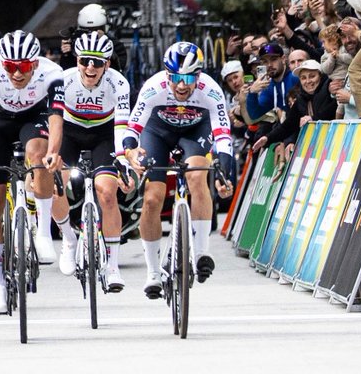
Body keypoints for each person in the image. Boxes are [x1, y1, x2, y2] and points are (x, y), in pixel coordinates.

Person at [123, 42, 234, 298]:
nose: (182, 85)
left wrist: (225, 171)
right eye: (175, 78)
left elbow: (223, 135)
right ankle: (152, 272)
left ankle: (202, 252)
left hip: (195, 133)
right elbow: (133, 128)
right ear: (167, 75)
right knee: (152, 198)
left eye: (188, 78)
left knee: (198, 174)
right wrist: (130, 151)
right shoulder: (153, 87)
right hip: (158, 133)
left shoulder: (211, 91)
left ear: (198, 76)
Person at [0, 30, 64, 314]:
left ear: (34, 64)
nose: (16, 73)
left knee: (39, 154)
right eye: (10, 66)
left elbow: (56, 118)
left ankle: (45, 233)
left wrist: (54, 152)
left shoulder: (52, 72)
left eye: (23, 67)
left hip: (34, 117)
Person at [52, 31, 132, 292]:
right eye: (85, 60)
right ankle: (68, 239)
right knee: (53, 185)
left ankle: (112, 266)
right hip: (70, 133)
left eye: (97, 62)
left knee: (108, 193)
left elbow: (122, 125)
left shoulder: (118, 84)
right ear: (76, 60)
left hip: (104, 135)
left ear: (107, 64)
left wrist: (123, 161)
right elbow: (51, 121)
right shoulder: (62, 81)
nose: (90, 67)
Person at [252, 60, 337, 158]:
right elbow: (287, 126)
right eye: (303, 78)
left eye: (312, 76)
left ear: (320, 76)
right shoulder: (300, 99)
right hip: (320, 149)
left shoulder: (329, 88)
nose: (308, 81)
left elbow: (333, 108)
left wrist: (313, 118)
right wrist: (267, 138)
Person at [59, 3, 127, 73]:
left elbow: (118, 69)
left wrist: (106, 50)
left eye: (95, 30)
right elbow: (67, 71)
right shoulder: (76, 43)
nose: (92, 35)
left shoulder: (114, 45)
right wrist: (67, 54)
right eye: (86, 30)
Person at [245, 42, 299, 123]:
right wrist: (252, 92)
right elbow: (254, 114)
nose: (269, 65)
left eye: (273, 59)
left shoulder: (294, 77)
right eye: (265, 62)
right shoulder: (269, 86)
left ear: (283, 59)